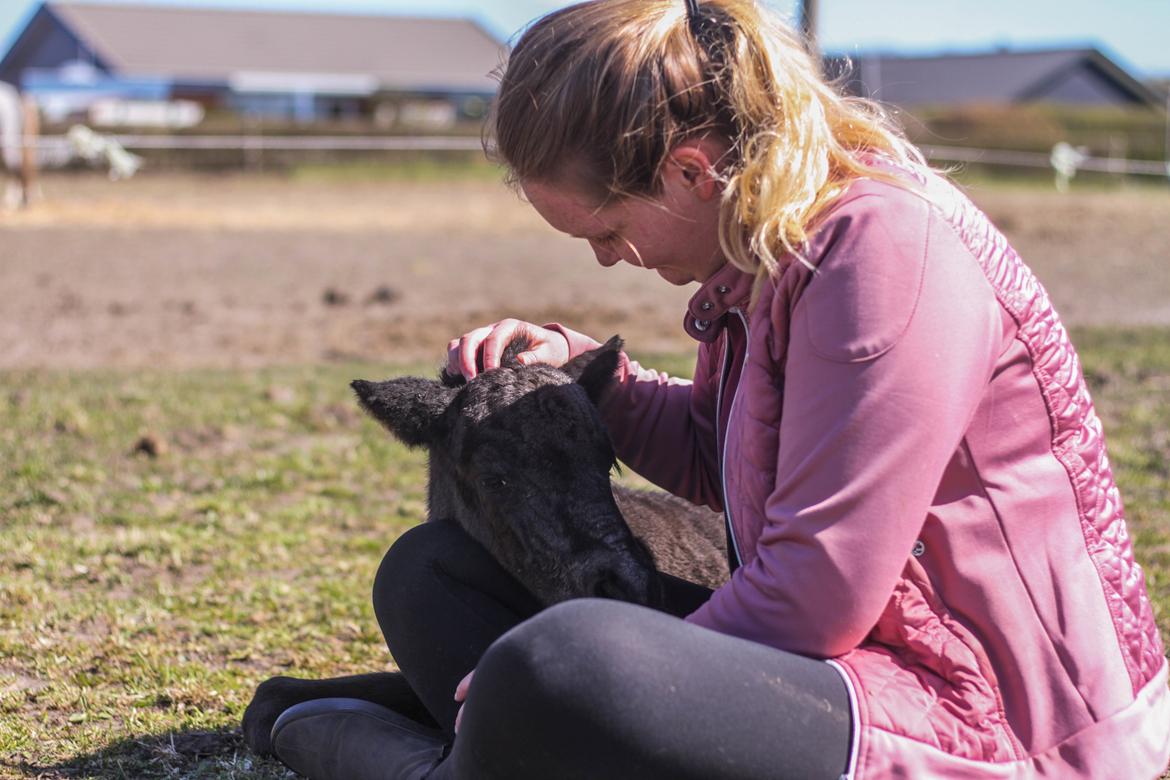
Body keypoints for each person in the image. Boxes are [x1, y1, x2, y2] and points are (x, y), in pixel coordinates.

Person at [264, 0, 1170, 777]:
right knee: (432, 574)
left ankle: (453, 753)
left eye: (609, 229)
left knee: (562, 663)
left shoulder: (884, 253)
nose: (610, 260)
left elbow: (817, 592)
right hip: (860, 659)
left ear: (690, 172)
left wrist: (587, 667)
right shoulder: (768, 254)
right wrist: (586, 379)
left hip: (1000, 715)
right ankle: (503, 736)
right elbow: (729, 463)